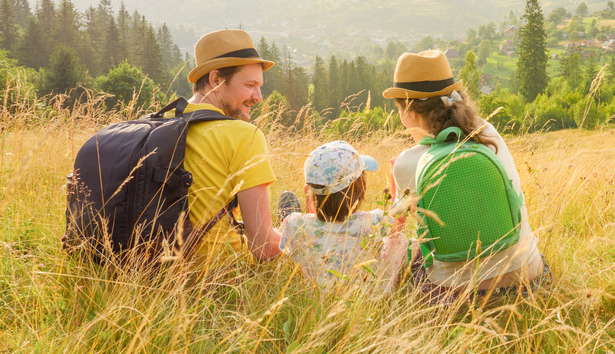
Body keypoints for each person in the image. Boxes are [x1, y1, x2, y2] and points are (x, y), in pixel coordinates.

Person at [383, 50, 547, 302]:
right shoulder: (486, 132)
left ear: (408, 112)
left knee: (411, 251)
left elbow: (396, 226)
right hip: (528, 279)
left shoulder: (406, 164)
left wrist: (396, 190)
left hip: (460, 295)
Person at [184, 29, 282, 268]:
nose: (258, 96)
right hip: (224, 280)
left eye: (259, 86)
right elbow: (264, 247)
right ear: (216, 80)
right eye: (250, 85)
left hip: (153, 273)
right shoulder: (243, 135)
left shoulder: (159, 122)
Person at [279, 141, 407, 291]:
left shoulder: (294, 223)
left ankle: (287, 214)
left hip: (318, 296)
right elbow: (399, 220)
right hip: (366, 296)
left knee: (297, 234)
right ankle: (386, 287)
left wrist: (309, 201)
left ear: (310, 190)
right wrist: (394, 178)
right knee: (399, 240)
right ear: (360, 188)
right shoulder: (373, 221)